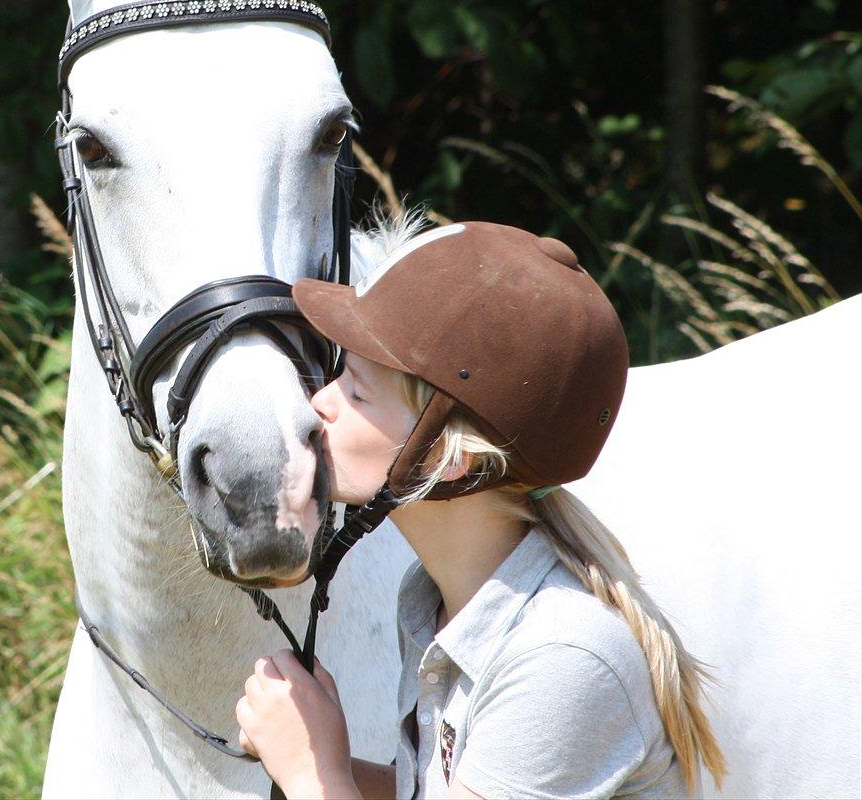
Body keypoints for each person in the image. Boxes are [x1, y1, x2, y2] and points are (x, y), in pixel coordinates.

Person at [235, 222, 726, 799]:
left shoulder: (560, 658)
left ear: (447, 456)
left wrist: (310, 772)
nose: (320, 403)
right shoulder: (435, 600)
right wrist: (319, 754)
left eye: (359, 393)